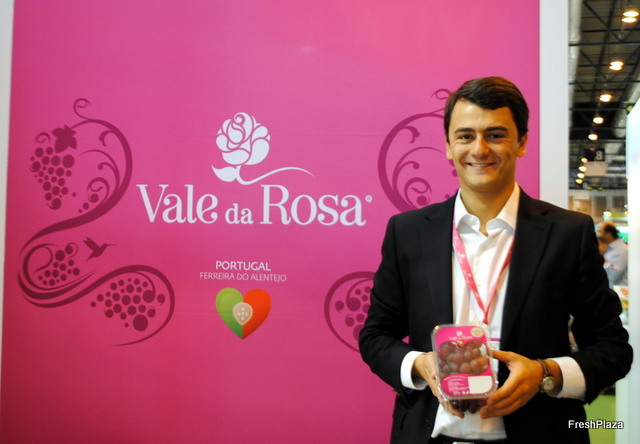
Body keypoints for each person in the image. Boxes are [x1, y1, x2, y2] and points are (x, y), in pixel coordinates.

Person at [359, 76, 632, 444]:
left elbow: (613, 348)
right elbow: (375, 336)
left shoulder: (568, 233)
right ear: (448, 146)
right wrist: (420, 364)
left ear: (522, 142)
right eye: (465, 135)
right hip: (431, 435)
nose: (480, 149)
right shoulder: (408, 232)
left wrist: (546, 373)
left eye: (496, 134)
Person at [597, 221, 628, 288]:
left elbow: (613, 276)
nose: (597, 235)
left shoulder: (622, 249)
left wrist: (602, 257)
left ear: (608, 234)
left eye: (599, 232)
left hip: (619, 291)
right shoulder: (608, 248)